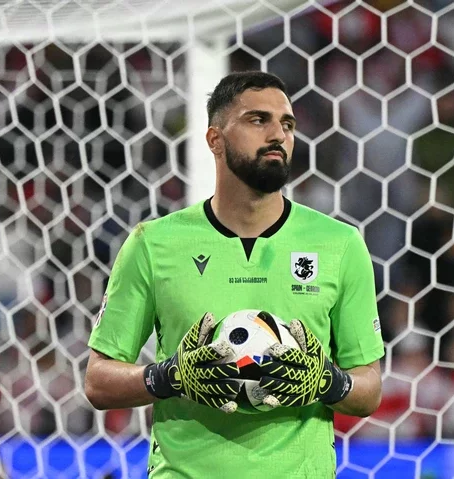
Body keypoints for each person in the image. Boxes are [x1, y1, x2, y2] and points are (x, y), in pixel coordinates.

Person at [84, 71, 385, 478]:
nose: (277, 134)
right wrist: (168, 377)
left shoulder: (340, 245)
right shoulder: (153, 244)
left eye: (287, 124)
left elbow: (368, 390)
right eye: (258, 120)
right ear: (215, 140)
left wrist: (328, 382)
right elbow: (98, 382)